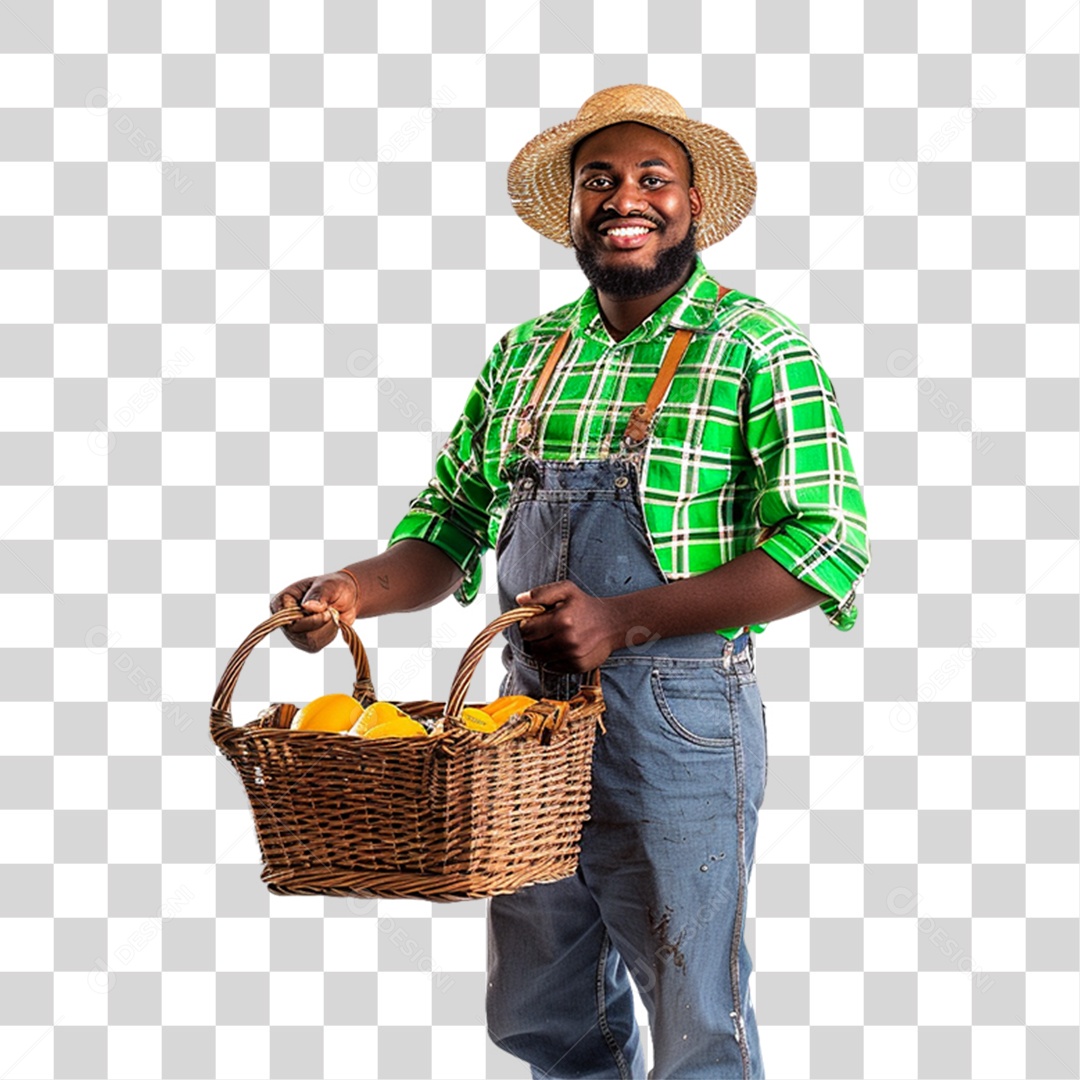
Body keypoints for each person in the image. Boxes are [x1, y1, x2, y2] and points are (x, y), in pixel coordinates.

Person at [271, 84, 871, 1080]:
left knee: (695, 1015)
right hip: (526, 729)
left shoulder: (755, 346)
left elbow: (824, 546)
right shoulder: (527, 356)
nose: (623, 197)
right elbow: (448, 526)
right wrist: (347, 593)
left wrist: (624, 619)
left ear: (690, 206)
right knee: (540, 1003)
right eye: (600, 179)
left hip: (680, 722)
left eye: (651, 177)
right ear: (572, 208)